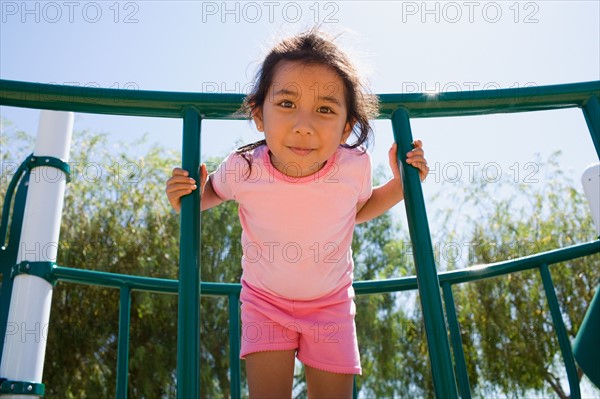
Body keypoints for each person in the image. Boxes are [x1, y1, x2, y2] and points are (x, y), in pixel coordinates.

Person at [166, 27, 429, 399]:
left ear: (346, 127)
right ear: (259, 115)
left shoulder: (352, 167)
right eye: (287, 104)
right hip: (265, 302)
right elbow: (210, 194)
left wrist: (402, 185)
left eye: (325, 109)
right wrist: (186, 198)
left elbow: (355, 211)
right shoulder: (245, 168)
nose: (304, 126)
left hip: (331, 304)